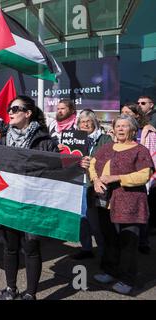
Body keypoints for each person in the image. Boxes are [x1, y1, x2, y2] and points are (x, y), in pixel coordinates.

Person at [0, 95, 62, 300]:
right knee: (10, 246)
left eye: (16, 109)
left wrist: (79, 165)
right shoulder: (3, 138)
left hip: (33, 202)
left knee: (31, 247)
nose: (11, 113)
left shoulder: (45, 140)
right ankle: (10, 289)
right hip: (9, 200)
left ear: (28, 113)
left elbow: (56, 171)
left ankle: (31, 294)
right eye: (10, 109)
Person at [89, 115, 154, 295]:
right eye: (118, 125)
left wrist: (117, 178)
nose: (120, 129)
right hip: (105, 201)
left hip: (130, 201)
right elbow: (93, 164)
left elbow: (144, 175)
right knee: (109, 238)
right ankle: (110, 271)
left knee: (128, 242)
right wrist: (95, 180)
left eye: (125, 126)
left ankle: (127, 279)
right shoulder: (107, 147)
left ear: (133, 129)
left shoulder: (140, 150)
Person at [71, 110, 111, 260]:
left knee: (96, 222)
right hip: (78, 183)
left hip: (94, 185)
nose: (85, 124)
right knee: (81, 219)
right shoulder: (75, 139)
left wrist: (91, 160)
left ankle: (104, 253)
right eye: (82, 122)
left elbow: (109, 160)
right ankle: (86, 248)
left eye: (88, 121)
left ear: (95, 122)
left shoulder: (105, 139)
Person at [121, 103, 156, 254]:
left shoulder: (147, 132)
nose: (123, 115)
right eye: (122, 112)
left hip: (143, 178)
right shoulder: (118, 133)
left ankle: (143, 241)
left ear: (136, 115)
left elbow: (153, 158)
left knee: (142, 211)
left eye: (127, 113)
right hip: (123, 177)